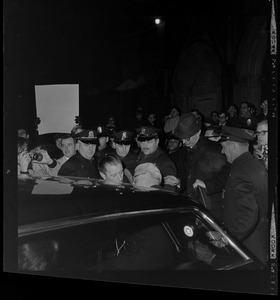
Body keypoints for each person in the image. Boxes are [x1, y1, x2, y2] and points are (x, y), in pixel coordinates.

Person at [219, 126, 268, 264]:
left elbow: (248, 214)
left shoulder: (240, 173)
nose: (222, 151)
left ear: (233, 146)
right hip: (259, 241)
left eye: (224, 147)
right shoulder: (255, 165)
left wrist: (227, 240)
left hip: (247, 246)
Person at [173, 113, 230, 219]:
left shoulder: (215, 148)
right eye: (181, 139)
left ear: (198, 132)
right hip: (190, 207)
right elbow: (186, 175)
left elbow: (227, 174)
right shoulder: (182, 151)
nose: (184, 142)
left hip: (210, 207)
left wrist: (207, 185)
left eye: (188, 138)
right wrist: (179, 182)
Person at [135, 126, 179, 191]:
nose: (145, 145)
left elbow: (168, 193)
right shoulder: (139, 156)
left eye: (149, 142)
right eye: (142, 142)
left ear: (157, 141)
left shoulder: (165, 162)